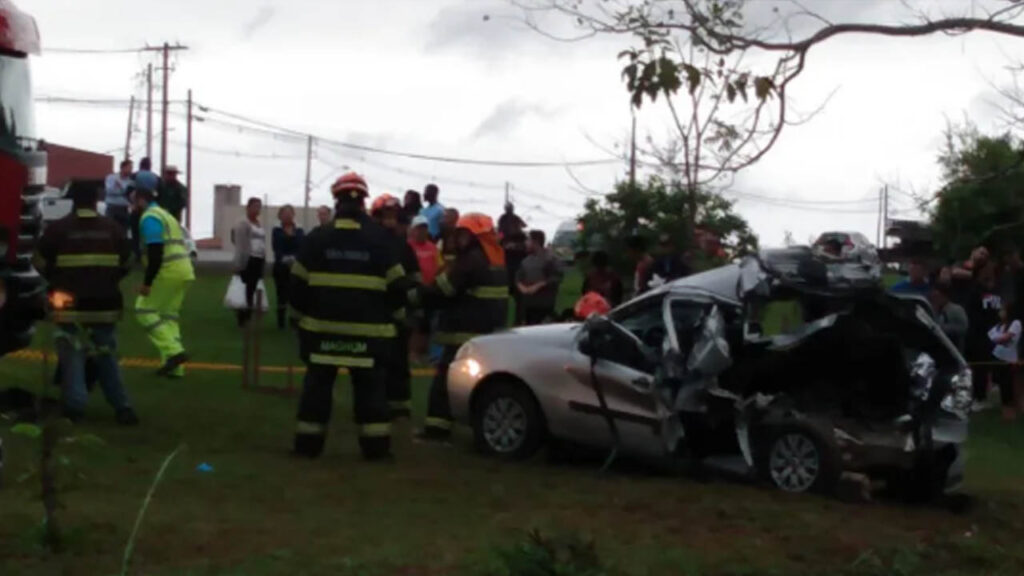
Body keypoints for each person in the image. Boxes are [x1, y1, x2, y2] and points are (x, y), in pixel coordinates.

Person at [290, 173, 403, 461]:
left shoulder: (317, 238)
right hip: (370, 337)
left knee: (317, 390)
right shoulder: (381, 241)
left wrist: (300, 318)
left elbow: (296, 285)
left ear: (336, 202)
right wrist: (394, 318)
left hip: (321, 334)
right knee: (371, 394)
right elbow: (398, 287)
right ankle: (376, 450)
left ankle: (307, 446)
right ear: (363, 202)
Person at [35, 183, 138, 425]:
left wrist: (55, 280)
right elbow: (129, 262)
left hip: (68, 307)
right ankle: (123, 408)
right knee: (106, 355)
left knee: (72, 354)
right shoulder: (113, 229)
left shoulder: (57, 230)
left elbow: (38, 262)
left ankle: (75, 407)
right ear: (95, 201)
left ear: (72, 201)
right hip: (105, 306)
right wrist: (110, 279)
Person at [417, 213, 508, 442]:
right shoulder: (497, 260)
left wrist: (420, 292)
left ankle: (436, 429)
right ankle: (483, 429)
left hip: (463, 331)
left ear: (473, 236)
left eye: (462, 234)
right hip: (489, 332)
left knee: (445, 380)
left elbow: (444, 289)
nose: (458, 239)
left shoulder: (470, 260)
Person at [133, 187, 195, 379]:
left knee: (144, 310)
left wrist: (147, 282)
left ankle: (174, 351)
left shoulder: (151, 217)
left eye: (133, 201)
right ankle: (175, 369)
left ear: (142, 200)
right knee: (169, 316)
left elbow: (155, 252)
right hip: (184, 269)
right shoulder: (166, 215)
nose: (132, 206)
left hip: (168, 270)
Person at [371, 193, 420, 418]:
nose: (391, 220)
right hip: (375, 313)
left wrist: (411, 304)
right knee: (376, 363)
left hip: (399, 314)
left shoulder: (404, 247)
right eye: (386, 215)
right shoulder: (371, 244)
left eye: (394, 215)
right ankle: (377, 403)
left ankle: (400, 406)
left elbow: (414, 277)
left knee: (399, 362)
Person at [966, 260, 1003, 409]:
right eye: (986, 269)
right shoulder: (975, 290)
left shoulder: (996, 289)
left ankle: (993, 389)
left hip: (996, 332)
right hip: (979, 334)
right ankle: (978, 397)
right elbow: (974, 313)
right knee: (979, 366)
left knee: (996, 363)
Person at [232, 198, 268, 327]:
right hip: (248, 259)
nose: (257, 209)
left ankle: (249, 312)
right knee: (245, 288)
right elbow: (240, 244)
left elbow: (263, 242)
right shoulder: (243, 223)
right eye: (254, 206)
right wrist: (239, 263)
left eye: (259, 207)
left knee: (253, 288)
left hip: (259, 258)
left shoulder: (259, 223)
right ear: (248, 208)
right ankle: (243, 316)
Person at [516, 230, 563, 326]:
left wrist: (539, 285)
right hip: (528, 305)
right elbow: (518, 277)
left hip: (544, 305)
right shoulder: (525, 260)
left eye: (528, 240)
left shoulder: (550, 258)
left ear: (535, 242)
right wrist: (522, 288)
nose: (526, 243)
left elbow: (557, 277)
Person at [272, 204, 305, 330]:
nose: (287, 216)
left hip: (296, 266)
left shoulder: (299, 230)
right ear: (280, 216)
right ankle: (280, 322)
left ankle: (294, 320)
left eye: (290, 213)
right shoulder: (277, 230)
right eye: (285, 214)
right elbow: (276, 247)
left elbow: (302, 245)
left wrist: (295, 258)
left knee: (295, 294)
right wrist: (285, 259)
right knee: (281, 294)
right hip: (281, 266)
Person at [988, 302, 1021, 421]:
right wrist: (998, 338)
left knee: (1009, 387)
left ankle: (1011, 413)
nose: (1000, 312)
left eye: (1003, 310)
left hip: (1009, 360)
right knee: (1001, 385)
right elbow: (991, 337)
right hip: (997, 357)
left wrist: (998, 338)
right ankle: (1005, 412)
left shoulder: (1016, 323)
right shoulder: (1000, 325)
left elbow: (1005, 338)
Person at [499, 204, 528, 323]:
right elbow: (500, 233)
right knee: (503, 297)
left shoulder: (521, 237)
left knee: (519, 298)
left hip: (517, 269)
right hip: (506, 268)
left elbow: (524, 226)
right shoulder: (503, 219)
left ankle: (518, 321)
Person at [930, 284, 968, 355]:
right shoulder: (932, 310)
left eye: (937, 296)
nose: (935, 299)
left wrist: (941, 328)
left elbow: (963, 327)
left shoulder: (956, 309)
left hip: (954, 349)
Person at [104, 159, 134, 232]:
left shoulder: (131, 182)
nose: (131, 170)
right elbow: (109, 191)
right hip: (112, 207)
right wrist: (123, 191)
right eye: (129, 167)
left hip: (124, 209)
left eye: (131, 168)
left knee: (123, 231)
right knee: (110, 230)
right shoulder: (111, 177)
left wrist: (120, 187)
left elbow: (130, 194)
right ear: (123, 167)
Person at [409, 215, 439, 286]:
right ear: (412, 230)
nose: (422, 231)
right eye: (419, 228)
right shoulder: (407, 246)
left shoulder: (433, 247)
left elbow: (439, 266)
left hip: (431, 287)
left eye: (424, 228)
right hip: (414, 287)